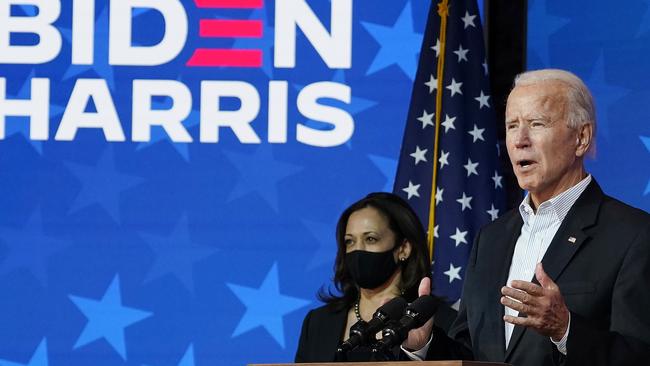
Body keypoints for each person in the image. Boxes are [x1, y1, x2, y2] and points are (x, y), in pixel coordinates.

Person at [405, 69, 650, 365]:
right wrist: (424, 346)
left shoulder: (633, 235)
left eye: (537, 124)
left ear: (581, 138)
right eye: (511, 126)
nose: (520, 140)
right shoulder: (491, 238)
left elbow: (640, 355)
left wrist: (566, 330)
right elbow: (471, 353)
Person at [294, 192, 456, 362]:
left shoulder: (441, 321)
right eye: (350, 241)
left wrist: (419, 350)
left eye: (370, 239)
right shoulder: (318, 322)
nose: (358, 249)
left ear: (403, 248)